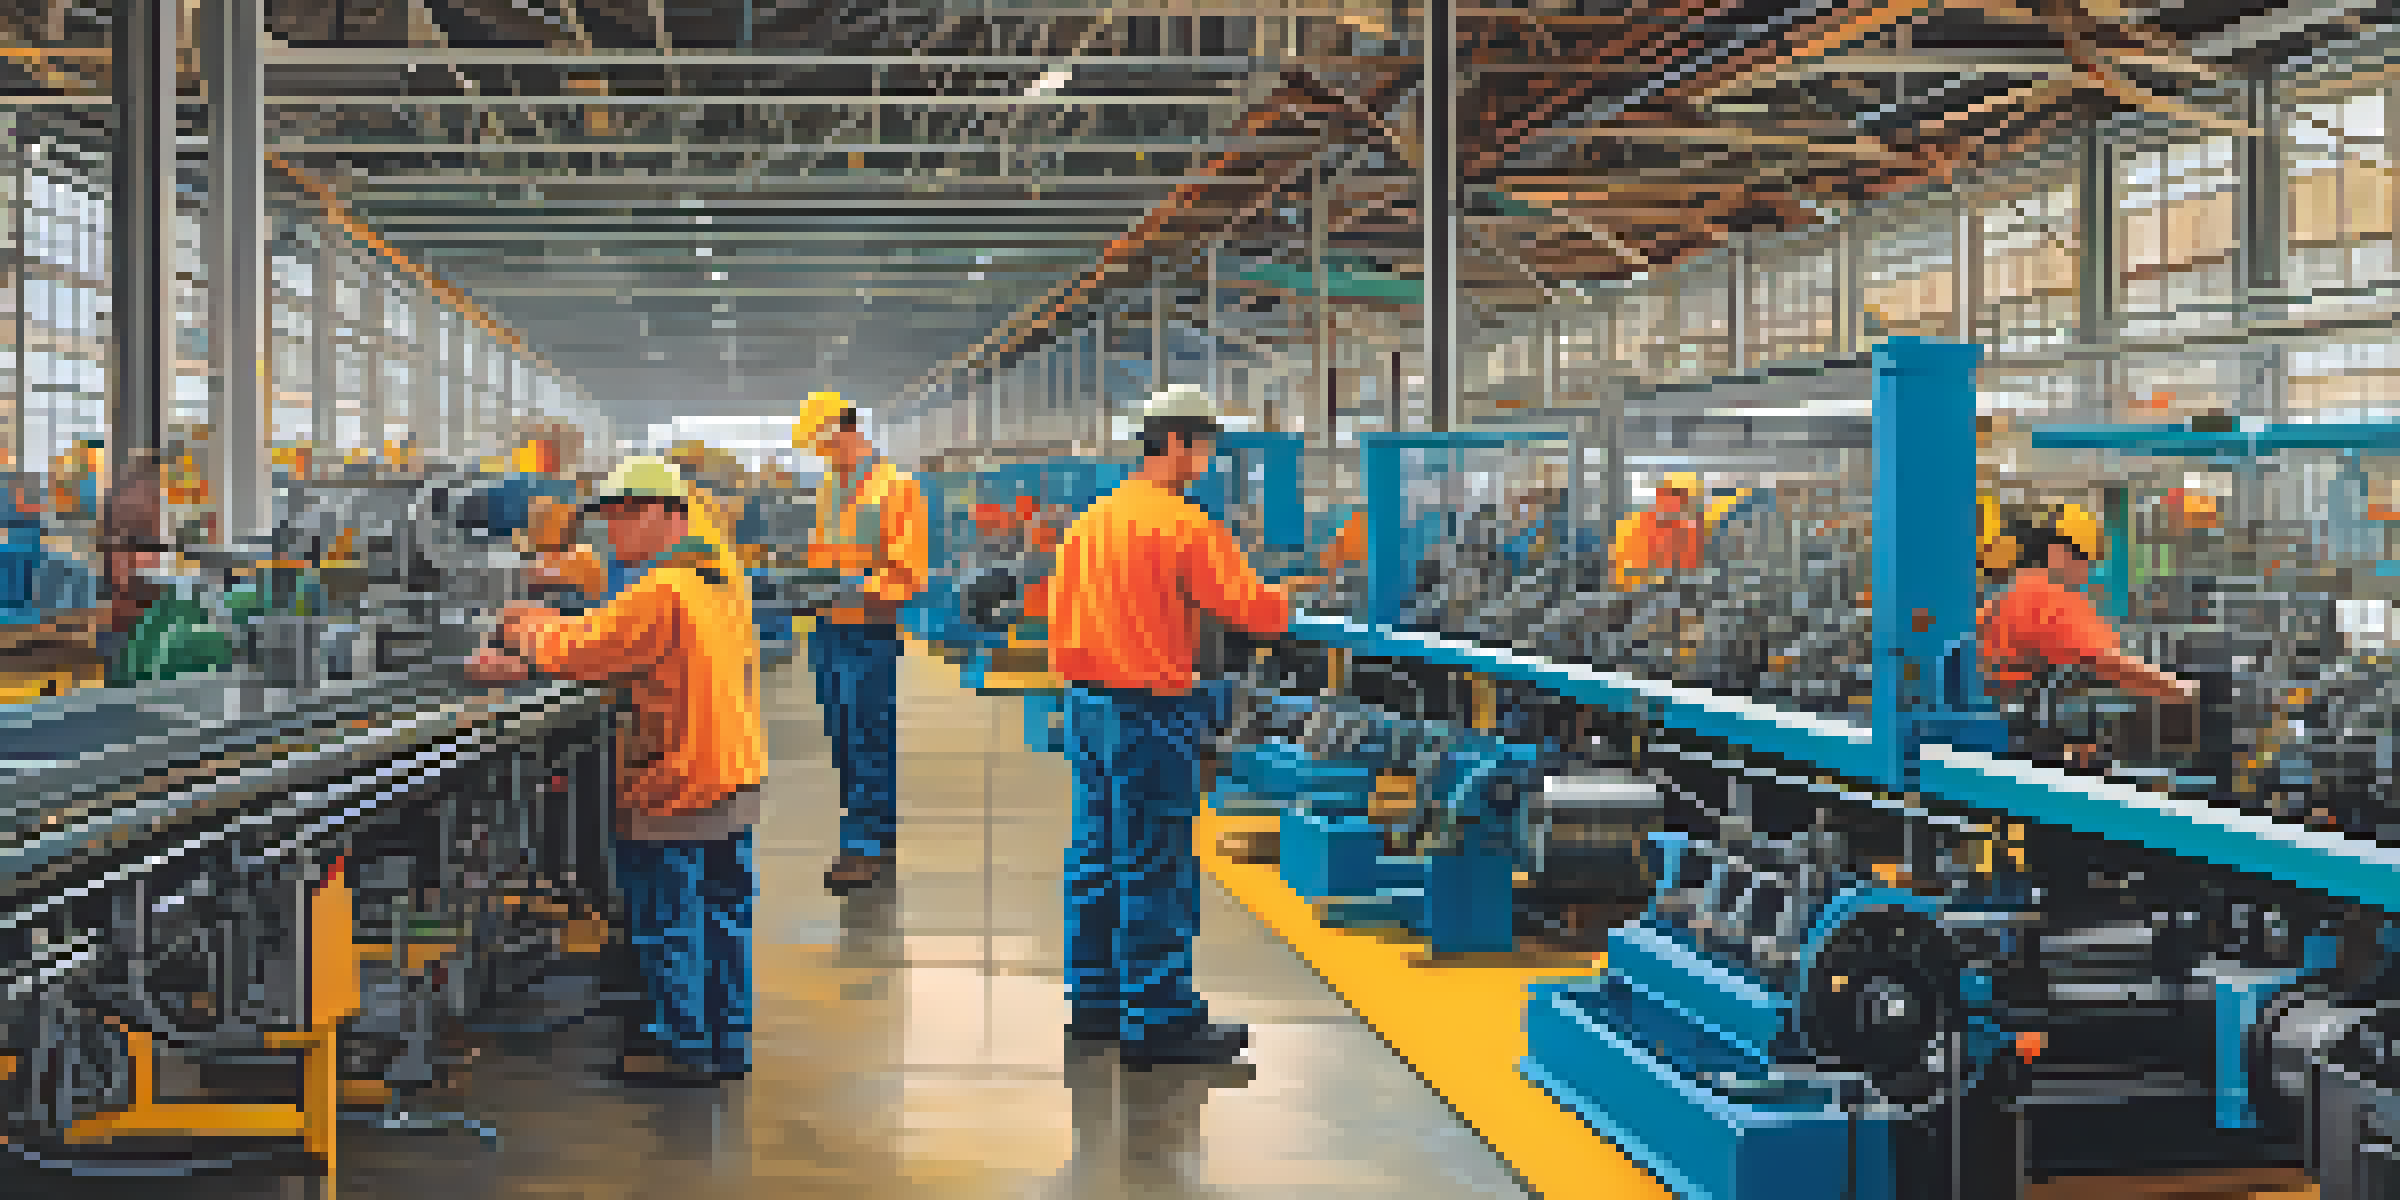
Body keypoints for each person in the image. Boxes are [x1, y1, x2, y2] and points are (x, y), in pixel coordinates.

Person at [1047, 387, 1326, 1069]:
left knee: (1095, 856)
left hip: (1086, 707)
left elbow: (1059, 610)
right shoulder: (1182, 524)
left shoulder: (1094, 519)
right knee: (1154, 865)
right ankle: (1159, 1020)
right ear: (1176, 442)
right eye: (1200, 446)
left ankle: (1095, 1002)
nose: (1204, 460)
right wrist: (1286, 601)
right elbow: (1247, 610)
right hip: (1147, 714)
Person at [466, 457, 766, 1086]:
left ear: (664, 514)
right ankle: (725, 1041)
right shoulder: (717, 576)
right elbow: (638, 653)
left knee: (669, 919)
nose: (612, 531)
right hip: (732, 768)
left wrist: (522, 629)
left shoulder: (662, 591)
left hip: (677, 779)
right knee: (722, 914)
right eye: (607, 517)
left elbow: (586, 647)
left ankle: (682, 1049)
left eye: (624, 516)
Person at [800, 394, 929, 894]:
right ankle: (878, 830)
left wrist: (855, 583)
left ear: (845, 431)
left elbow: (909, 571)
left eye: (824, 442)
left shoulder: (897, 488)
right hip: (828, 627)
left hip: (868, 631)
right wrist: (806, 584)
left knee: (866, 737)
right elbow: (823, 553)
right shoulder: (830, 487)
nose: (821, 454)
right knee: (843, 740)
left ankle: (865, 846)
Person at [1979, 502, 2194, 765]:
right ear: (2058, 551)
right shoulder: (2050, 597)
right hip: (2033, 735)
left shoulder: (2004, 596)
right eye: (2085, 559)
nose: (2088, 571)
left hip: (2001, 726)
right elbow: (2106, 661)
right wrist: (2177, 688)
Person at [1611, 472, 1707, 587]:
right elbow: (1622, 569)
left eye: (1683, 498)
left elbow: (1691, 568)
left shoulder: (1689, 530)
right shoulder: (1634, 525)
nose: (1676, 502)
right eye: (1672, 494)